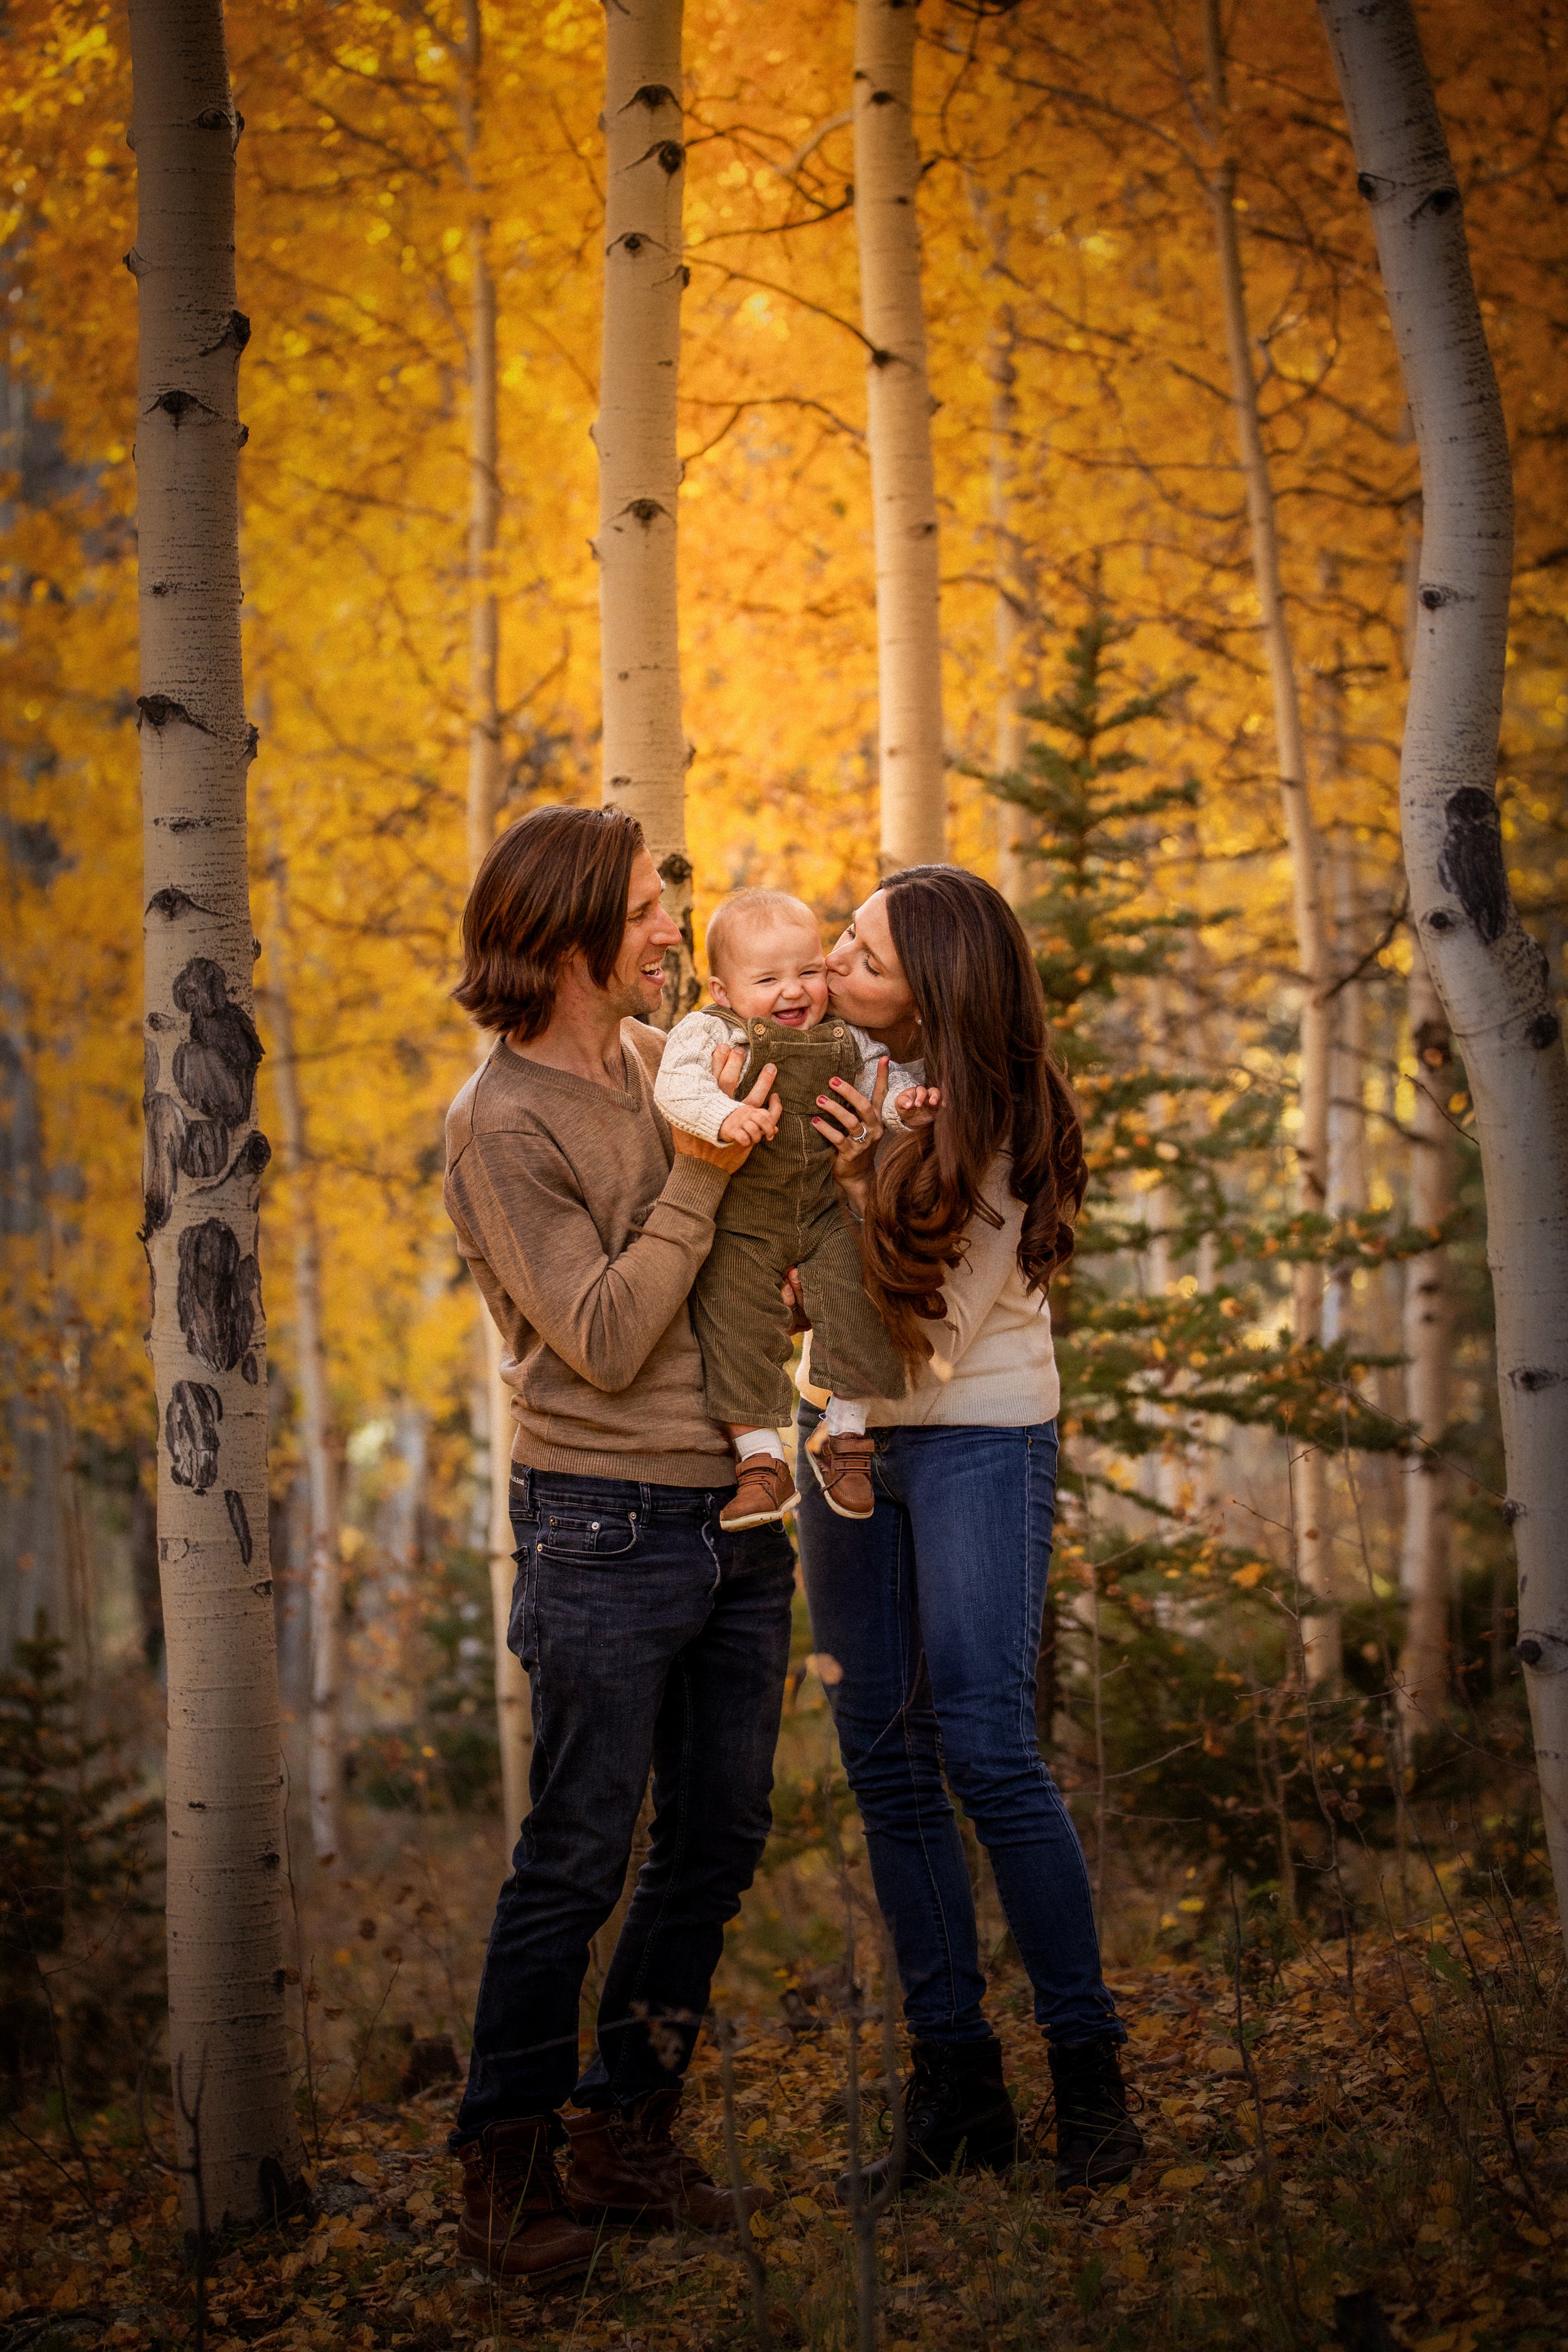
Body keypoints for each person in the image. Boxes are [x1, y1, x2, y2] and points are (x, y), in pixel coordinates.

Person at [442, 805, 795, 2279]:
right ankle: (507, 2167)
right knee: (578, 1853)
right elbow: (593, 1334)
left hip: (733, 1507)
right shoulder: (499, 1121)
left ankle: (625, 2130)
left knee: (714, 1840)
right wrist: (707, 1183)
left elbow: (718, 1272)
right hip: (600, 1518)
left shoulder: (661, 1065)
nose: (674, 935)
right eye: (655, 910)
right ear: (581, 932)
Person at [793, 865, 1145, 2198]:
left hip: (972, 1438)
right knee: (884, 1762)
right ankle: (956, 2090)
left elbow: (922, 1334)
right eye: (838, 941)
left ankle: (1089, 2080)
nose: (833, 964)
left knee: (989, 1751)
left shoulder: (994, 1117)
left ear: (933, 984)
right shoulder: (848, 1076)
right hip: (845, 1439)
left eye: (863, 954)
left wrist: (841, 1196)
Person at [652, 887, 938, 1531]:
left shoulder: (845, 1039)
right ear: (722, 990)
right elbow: (677, 1087)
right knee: (729, 1312)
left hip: (821, 1210)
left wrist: (905, 1109)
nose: (793, 992)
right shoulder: (707, 1031)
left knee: (858, 1289)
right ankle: (759, 1461)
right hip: (743, 1217)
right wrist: (726, 1117)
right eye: (768, 979)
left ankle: (846, 1437)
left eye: (807, 972)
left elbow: (873, 1091)